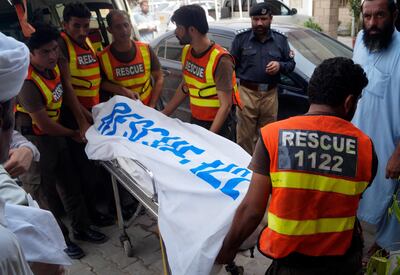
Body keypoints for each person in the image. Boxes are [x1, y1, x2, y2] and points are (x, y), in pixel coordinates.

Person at [216, 57, 377, 274]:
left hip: (290, 262)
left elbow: (253, 210)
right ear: (349, 102)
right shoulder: (365, 147)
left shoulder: (273, 136)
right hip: (342, 262)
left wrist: (229, 248)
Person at [15, 25, 107, 260]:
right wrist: (73, 132)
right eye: (45, 52)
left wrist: (86, 118)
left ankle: (82, 228)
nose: (53, 55)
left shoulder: (54, 66)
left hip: (56, 137)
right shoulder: (28, 83)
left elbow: (67, 93)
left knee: (70, 184)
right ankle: (60, 241)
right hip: (35, 141)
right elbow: (43, 124)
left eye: (55, 49)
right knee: (42, 195)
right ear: (31, 53)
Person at [58, 2, 115, 227]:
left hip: (92, 113)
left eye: (85, 26)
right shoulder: (62, 45)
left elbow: (96, 80)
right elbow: (67, 87)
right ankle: (92, 216)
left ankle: (101, 209)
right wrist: (83, 121)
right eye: (76, 26)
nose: (82, 32)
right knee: (83, 169)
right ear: (65, 25)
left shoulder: (87, 41)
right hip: (75, 116)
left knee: (95, 166)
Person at [351, 0, 400, 256]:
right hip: (360, 141)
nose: (372, 23)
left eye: (379, 15)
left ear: (394, 14)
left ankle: (384, 250)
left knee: (392, 208)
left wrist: (398, 154)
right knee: (358, 198)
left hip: (392, 147)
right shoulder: (360, 39)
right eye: (367, 16)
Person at [162, 4, 239, 139]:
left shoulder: (221, 60)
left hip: (219, 127)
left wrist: (209, 137)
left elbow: (225, 106)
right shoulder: (187, 51)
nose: (176, 32)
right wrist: (164, 113)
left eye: (179, 28)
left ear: (192, 30)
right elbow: (185, 86)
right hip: (197, 121)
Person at [230, 2, 295, 154]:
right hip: (246, 93)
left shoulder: (280, 40)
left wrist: (280, 66)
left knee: (268, 136)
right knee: (244, 138)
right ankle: (244, 171)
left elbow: (291, 64)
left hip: (270, 96)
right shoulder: (241, 39)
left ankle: (262, 171)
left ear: (271, 19)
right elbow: (230, 65)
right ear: (251, 19)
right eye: (255, 19)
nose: (259, 23)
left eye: (263, 19)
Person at [98, 10, 164, 108]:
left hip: (148, 106)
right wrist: (122, 90)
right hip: (123, 112)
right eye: (118, 27)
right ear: (109, 30)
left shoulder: (145, 49)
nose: (124, 30)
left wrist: (152, 105)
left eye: (126, 25)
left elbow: (159, 77)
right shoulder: (103, 57)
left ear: (131, 26)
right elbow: (102, 83)